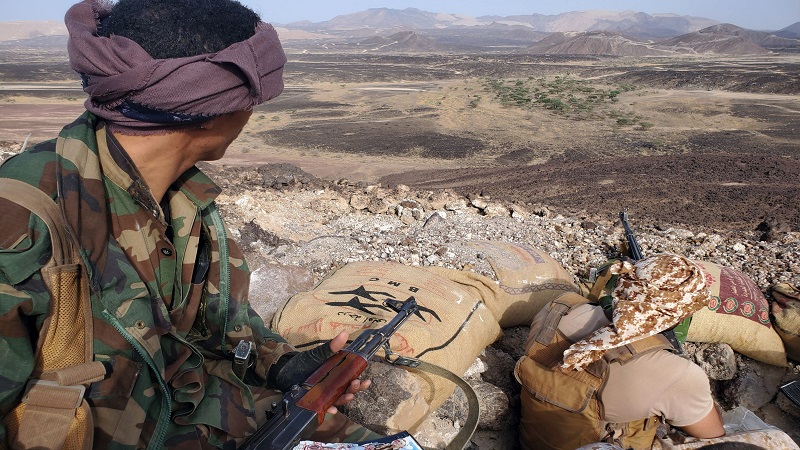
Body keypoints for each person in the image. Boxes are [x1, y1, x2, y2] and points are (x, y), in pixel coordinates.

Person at [0, 0, 379, 448]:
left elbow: (214, 321)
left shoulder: (185, 200)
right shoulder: (25, 220)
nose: (251, 113)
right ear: (213, 110)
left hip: (199, 411)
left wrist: (281, 364)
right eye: (252, 100)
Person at [514, 253, 725, 450]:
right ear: (680, 315)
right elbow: (713, 436)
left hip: (530, 442)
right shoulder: (678, 374)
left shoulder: (557, 308)